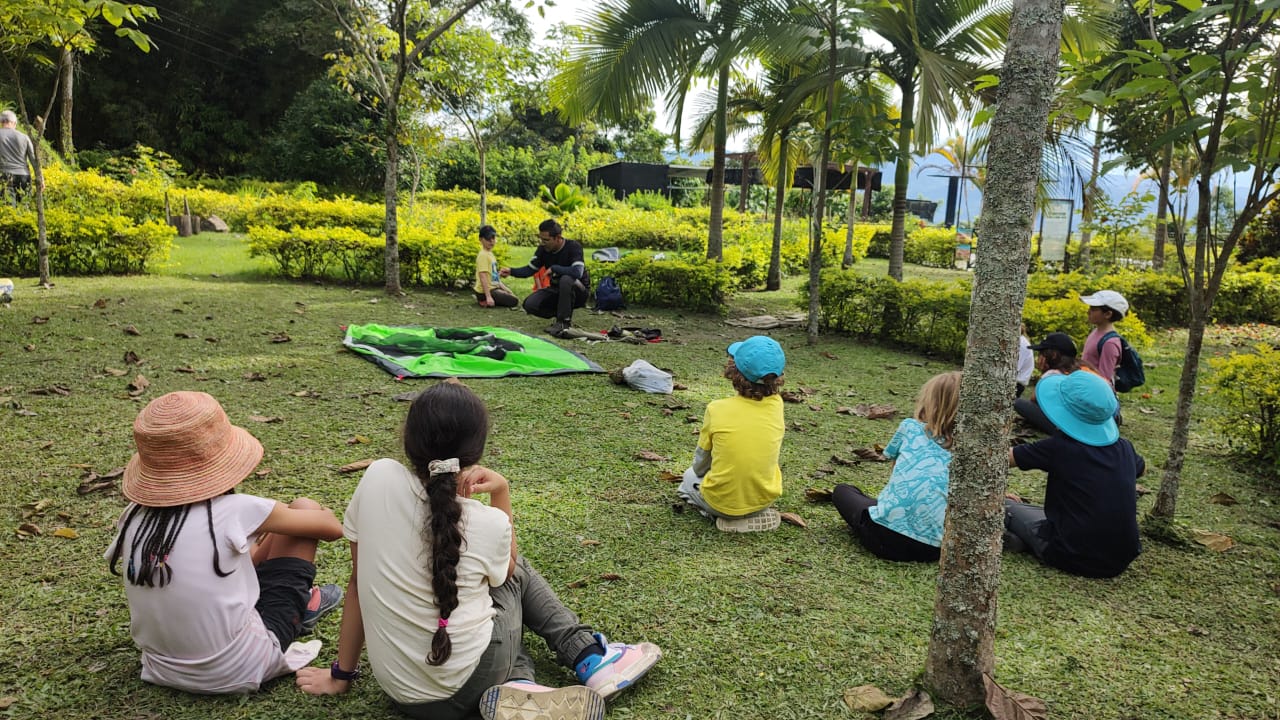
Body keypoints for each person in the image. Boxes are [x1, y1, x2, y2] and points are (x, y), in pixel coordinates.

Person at [296, 382, 661, 720]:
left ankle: (519, 685)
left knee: (479, 593)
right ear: (476, 450)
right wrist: (501, 492)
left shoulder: (377, 478)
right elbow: (509, 570)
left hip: (402, 694)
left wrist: (341, 675)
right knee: (510, 578)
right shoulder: (487, 523)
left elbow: (359, 581)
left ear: (408, 438)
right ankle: (590, 658)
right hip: (468, 681)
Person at [105, 391, 345, 694]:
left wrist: (265, 530)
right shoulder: (235, 509)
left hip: (160, 667)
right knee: (305, 508)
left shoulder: (134, 517)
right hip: (242, 668)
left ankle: (298, 597)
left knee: (262, 537)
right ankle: (302, 603)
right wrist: (289, 516)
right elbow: (331, 528)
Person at [1003, 370, 1145, 578]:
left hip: (1069, 554)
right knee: (1039, 512)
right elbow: (1142, 469)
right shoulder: (1124, 447)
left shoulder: (1059, 447)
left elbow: (1004, 459)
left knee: (1006, 505)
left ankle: (1024, 540)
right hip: (1121, 559)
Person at [831, 371, 960, 562]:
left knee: (843, 491)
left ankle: (884, 514)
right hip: (933, 550)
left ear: (929, 402)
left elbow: (895, 471)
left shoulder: (910, 427)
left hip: (882, 537)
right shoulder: (970, 451)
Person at [678, 336, 786, 533]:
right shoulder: (777, 404)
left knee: (688, 477)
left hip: (721, 503)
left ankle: (720, 515)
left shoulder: (716, 409)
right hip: (764, 499)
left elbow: (700, 465)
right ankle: (749, 513)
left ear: (734, 372)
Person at [500, 219, 590, 336]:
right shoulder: (543, 249)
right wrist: (511, 271)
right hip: (557, 290)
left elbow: (577, 272)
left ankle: (563, 323)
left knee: (566, 279)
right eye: (541, 239)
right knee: (530, 304)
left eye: (546, 240)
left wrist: (555, 268)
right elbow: (530, 269)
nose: (543, 243)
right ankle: (560, 312)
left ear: (557, 238)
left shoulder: (573, 246)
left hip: (579, 291)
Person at [1012, 332, 1079, 435]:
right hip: (1076, 422)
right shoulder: (1079, 370)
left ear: (1053, 355)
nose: (1039, 358)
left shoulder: (1052, 374)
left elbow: (1034, 399)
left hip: (1061, 426)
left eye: (1041, 353)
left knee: (1018, 402)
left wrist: (1043, 372)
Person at [1080, 290, 1129, 392]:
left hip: (1095, 393)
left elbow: (1104, 379)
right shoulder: (1095, 332)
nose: (1088, 311)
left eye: (1093, 309)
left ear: (1107, 314)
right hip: (1086, 387)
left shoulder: (1109, 343)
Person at [0, 110, 40, 205]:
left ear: (1, 122)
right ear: (14, 123)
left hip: (5, 176)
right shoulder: (24, 137)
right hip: (24, 177)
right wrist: (40, 178)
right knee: (25, 209)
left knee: (9, 210)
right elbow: (34, 159)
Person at [474, 225, 519, 309]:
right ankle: (483, 300)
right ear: (481, 239)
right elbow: (483, 277)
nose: (491, 241)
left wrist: (505, 289)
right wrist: (488, 297)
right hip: (485, 292)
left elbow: (494, 277)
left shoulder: (490, 254)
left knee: (512, 296)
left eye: (493, 238)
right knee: (514, 301)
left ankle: (491, 298)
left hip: (493, 288)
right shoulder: (483, 255)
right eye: (488, 239)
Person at [1015, 325, 1034, 398]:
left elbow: (1015, 368)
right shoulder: (1021, 341)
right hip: (1016, 383)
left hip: (1017, 384)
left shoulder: (1021, 343)